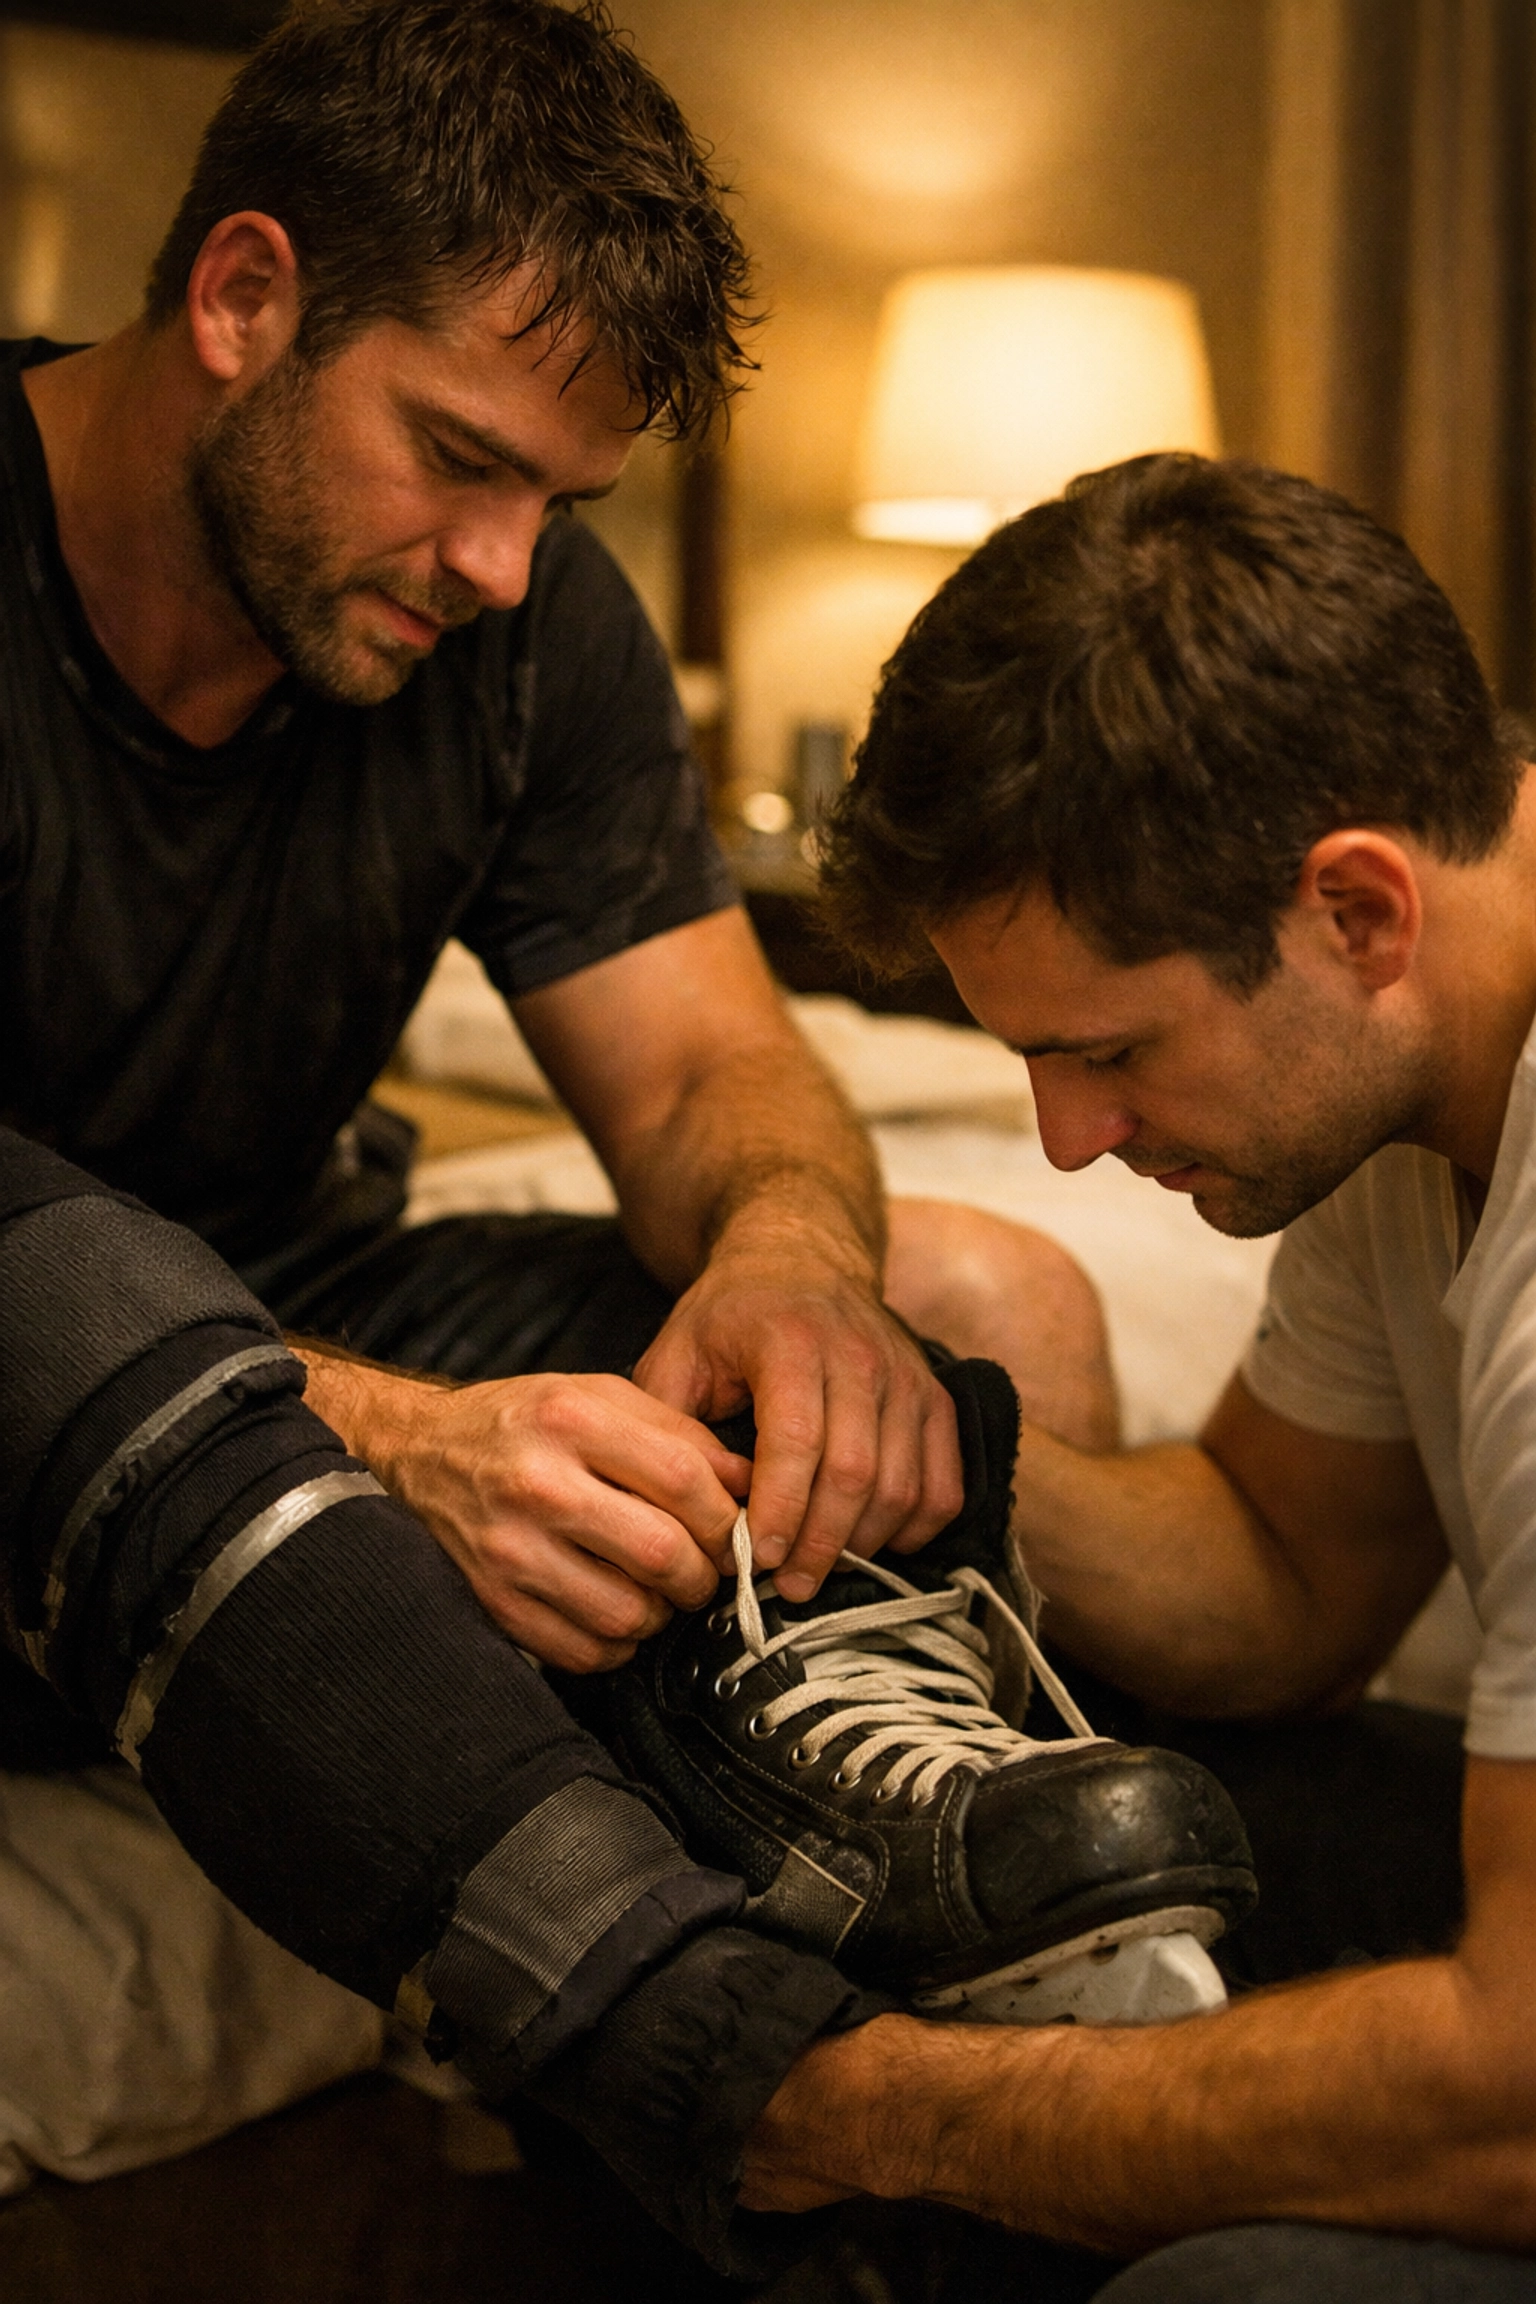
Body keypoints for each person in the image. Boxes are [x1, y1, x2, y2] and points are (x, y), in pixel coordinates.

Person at [0, 0, 1111, 1700]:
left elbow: (702, 1078)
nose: (505, 570)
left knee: (960, 1311)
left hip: (280, 1294)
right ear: (242, 298)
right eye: (458, 458)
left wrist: (793, 1261)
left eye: (561, 506)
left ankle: (938, 1814)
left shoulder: (525, 630)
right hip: (41, 1361)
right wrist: (386, 1443)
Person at [738, 453, 1536, 2300]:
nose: (1070, 1137)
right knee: (1022, 1859)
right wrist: (899, 1426)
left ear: (1359, 913)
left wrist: (875, 2114)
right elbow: (1288, 1586)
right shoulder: (1408, 1088)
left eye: (1109, 1051)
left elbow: (1517, 2094)